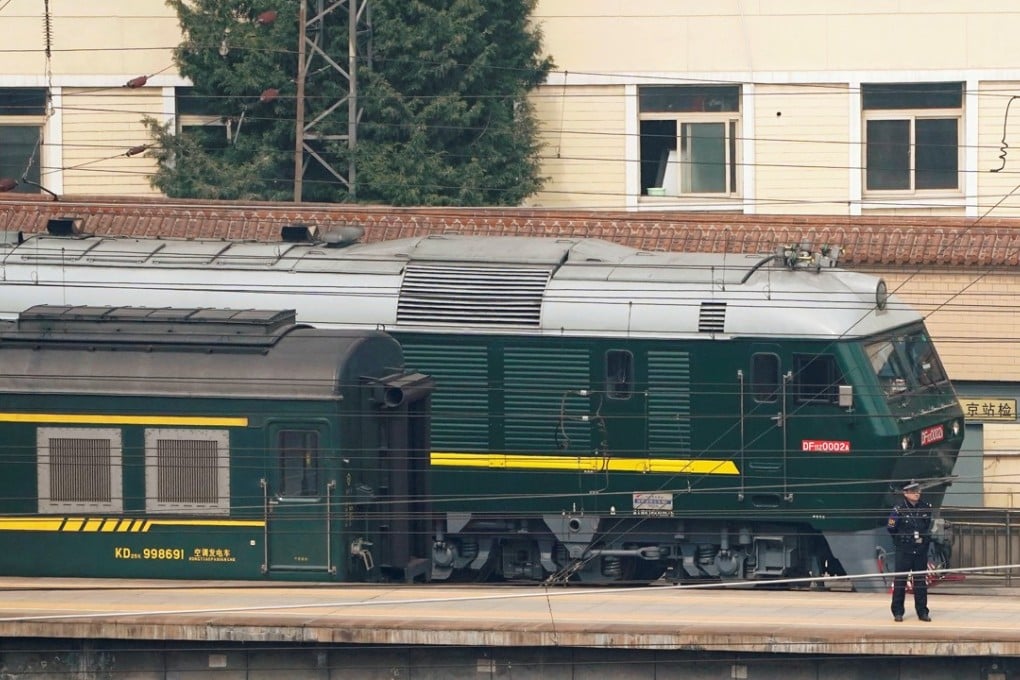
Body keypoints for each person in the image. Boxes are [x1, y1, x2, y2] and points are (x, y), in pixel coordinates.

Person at [887, 480, 933, 622]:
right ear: (905, 493)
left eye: (918, 490)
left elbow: (926, 527)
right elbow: (891, 528)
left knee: (920, 582)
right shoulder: (899, 509)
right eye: (913, 491)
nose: (917, 493)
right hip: (904, 550)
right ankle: (898, 612)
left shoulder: (925, 508)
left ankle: (922, 612)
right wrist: (902, 540)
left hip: (920, 550)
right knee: (900, 581)